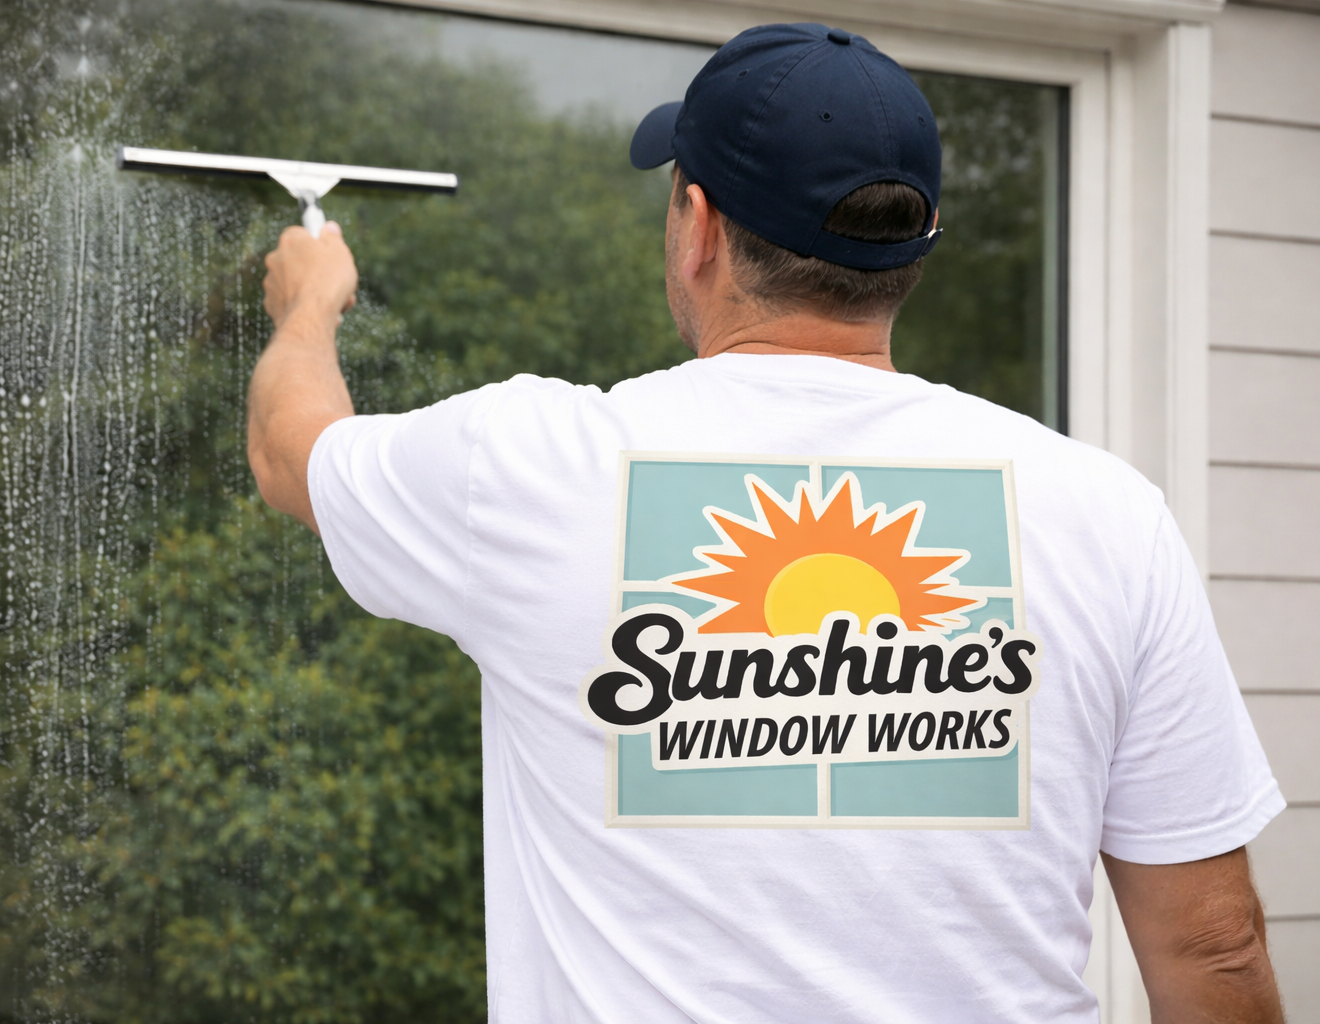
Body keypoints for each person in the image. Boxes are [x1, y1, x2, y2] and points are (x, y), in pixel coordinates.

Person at [247, 22, 1286, 1024]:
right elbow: (1215, 948)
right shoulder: (1106, 513)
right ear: (915, 244)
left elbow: (291, 453)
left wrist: (310, 301)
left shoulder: (528, 468)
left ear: (698, 226)